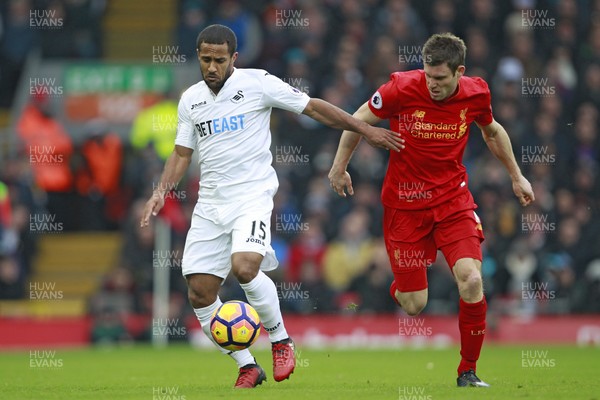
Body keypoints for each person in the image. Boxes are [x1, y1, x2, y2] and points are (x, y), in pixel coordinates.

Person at [140, 24, 402, 389]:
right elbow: (182, 153)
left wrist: (365, 128)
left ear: (234, 58)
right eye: (205, 59)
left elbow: (312, 108)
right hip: (210, 204)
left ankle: (280, 340)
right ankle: (247, 365)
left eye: (219, 59)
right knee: (199, 292)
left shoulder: (258, 82)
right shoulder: (191, 100)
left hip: (251, 196)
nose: (211, 67)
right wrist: (161, 190)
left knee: (245, 267)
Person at [328, 32, 535, 388]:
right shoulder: (399, 89)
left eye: (440, 78)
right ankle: (401, 286)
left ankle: (467, 371)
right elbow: (356, 120)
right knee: (414, 305)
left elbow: (492, 131)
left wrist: (517, 176)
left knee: (471, 279)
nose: (433, 84)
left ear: (459, 72)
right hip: (405, 207)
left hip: (453, 200)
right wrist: (338, 167)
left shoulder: (477, 93)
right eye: (428, 76)